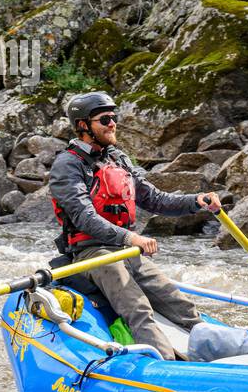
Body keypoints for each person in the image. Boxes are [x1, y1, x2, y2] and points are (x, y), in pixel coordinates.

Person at [48, 91, 220, 360]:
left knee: (178, 302)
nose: (112, 124)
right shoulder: (67, 165)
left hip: (126, 250)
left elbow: (154, 199)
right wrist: (131, 238)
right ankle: (164, 369)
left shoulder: (117, 158)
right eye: (104, 119)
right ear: (83, 126)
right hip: (93, 253)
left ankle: (217, 353)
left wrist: (196, 202)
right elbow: (84, 218)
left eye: (114, 118)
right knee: (138, 307)